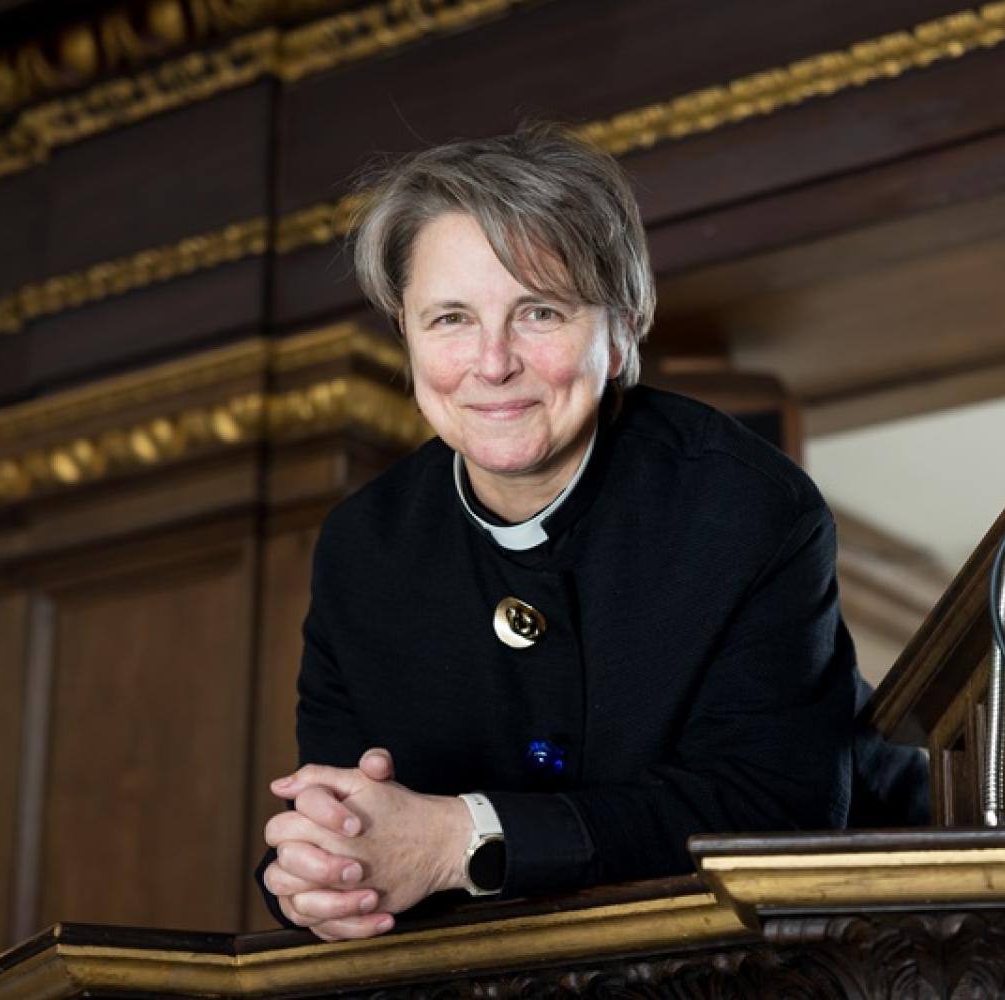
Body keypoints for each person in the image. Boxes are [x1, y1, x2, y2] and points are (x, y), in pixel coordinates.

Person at [257, 124, 923, 941]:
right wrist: (316, 874)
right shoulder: (365, 548)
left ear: (624, 325)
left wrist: (461, 837)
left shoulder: (745, 507)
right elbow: (347, 814)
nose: (492, 363)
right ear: (405, 333)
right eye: (451, 319)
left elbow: (771, 813)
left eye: (539, 312)